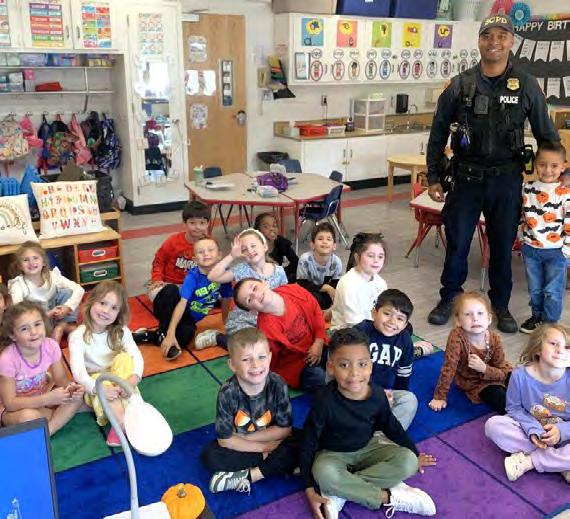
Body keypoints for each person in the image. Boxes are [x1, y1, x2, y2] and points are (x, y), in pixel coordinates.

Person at [426, 14, 559, 333]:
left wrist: (560, 176)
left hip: (506, 180)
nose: (494, 42)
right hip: (465, 179)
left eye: (502, 35)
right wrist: (433, 176)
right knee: (457, 245)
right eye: (487, 35)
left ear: (512, 41)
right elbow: (438, 132)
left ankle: (500, 305)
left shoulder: (526, 85)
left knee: (501, 247)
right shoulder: (460, 84)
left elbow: (547, 135)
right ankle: (450, 298)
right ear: (479, 41)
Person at [300, 328, 437, 519]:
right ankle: (388, 497)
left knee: (408, 461)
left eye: (362, 364)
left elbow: (392, 427)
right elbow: (308, 441)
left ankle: (341, 492)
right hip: (333, 454)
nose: (354, 373)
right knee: (323, 473)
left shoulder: (377, 395)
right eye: (344, 365)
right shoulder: (324, 401)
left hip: (368, 447)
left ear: (370, 366)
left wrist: (414, 453)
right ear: (331, 367)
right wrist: (308, 487)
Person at [201, 328, 299, 494]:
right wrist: (264, 448)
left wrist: (246, 438)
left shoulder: (277, 384)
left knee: (304, 440)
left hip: (264, 438)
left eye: (261, 357)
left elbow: (285, 429)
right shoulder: (228, 392)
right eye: (246, 359)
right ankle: (280, 464)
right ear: (232, 365)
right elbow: (225, 441)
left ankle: (248, 476)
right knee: (210, 455)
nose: (255, 365)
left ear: (270, 358)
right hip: (249, 446)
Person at [485, 324, 569, 483]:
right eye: (553, 343)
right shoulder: (519, 375)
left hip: (565, 436)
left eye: (567, 347)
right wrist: (533, 430)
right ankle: (559, 463)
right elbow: (513, 408)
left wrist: (561, 432)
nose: (560, 350)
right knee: (493, 425)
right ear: (537, 349)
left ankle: (530, 461)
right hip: (531, 432)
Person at [69, 281, 144, 447]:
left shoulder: (122, 331)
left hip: (119, 379)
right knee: (99, 378)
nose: (106, 311)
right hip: (95, 383)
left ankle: (136, 409)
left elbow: (136, 356)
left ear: (119, 313)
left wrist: (133, 379)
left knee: (124, 359)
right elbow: (79, 374)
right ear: (91, 302)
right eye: (102, 303)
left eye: (114, 308)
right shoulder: (78, 336)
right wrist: (99, 388)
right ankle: (121, 422)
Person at [0, 301, 84, 435]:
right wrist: (47, 399)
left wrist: (71, 388)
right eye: (24, 329)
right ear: (12, 335)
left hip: (41, 401)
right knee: (29, 417)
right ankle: (56, 420)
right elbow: (10, 404)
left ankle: (49, 429)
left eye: (37, 324)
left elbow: (61, 378)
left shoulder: (51, 346)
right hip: (12, 411)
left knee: (78, 397)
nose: (33, 332)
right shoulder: (7, 359)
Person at [136, 201, 211, 346]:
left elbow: (213, 270)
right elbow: (158, 261)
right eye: (192, 223)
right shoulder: (173, 241)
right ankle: (169, 328)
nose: (197, 227)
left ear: (208, 224)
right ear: (185, 223)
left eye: (202, 223)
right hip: (167, 286)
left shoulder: (209, 244)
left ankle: (157, 335)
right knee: (170, 291)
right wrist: (157, 279)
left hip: (189, 290)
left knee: (187, 332)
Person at [233, 279, 327, 391]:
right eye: (249, 299)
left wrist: (319, 341)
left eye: (254, 288)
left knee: (338, 356)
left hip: (317, 342)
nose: (256, 295)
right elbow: (271, 360)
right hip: (298, 363)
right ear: (252, 311)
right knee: (319, 377)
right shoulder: (266, 330)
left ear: (264, 282)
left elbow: (315, 310)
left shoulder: (293, 290)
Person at [429, 292, 512, 415]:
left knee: (519, 381)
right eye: (468, 314)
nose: (475, 318)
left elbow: (502, 372)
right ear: (458, 321)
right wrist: (439, 396)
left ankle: (536, 409)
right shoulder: (457, 337)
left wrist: (484, 369)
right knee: (501, 399)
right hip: (475, 382)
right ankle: (523, 418)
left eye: (480, 313)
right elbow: (449, 367)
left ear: (489, 319)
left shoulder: (495, 339)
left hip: (496, 373)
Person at [519, 142, 569, 333]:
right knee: (535, 289)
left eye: (554, 166)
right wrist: (522, 238)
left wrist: (567, 250)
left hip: (556, 251)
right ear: (535, 164)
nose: (547, 170)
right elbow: (522, 215)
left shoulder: (566, 193)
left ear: (563, 166)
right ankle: (537, 317)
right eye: (542, 164)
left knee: (552, 291)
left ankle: (550, 324)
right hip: (531, 248)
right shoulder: (527, 188)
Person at [207, 228, 287, 345]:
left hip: (271, 319)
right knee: (252, 345)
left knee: (274, 343)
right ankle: (218, 338)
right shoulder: (241, 269)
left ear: (264, 246)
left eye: (253, 246)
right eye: (244, 249)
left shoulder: (279, 271)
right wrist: (231, 256)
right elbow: (212, 277)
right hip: (244, 321)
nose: (250, 251)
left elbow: (286, 296)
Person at [158, 237, 232, 359]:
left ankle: (155, 335)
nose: (206, 254)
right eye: (201, 252)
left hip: (189, 319)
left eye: (210, 250)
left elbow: (227, 297)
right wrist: (171, 333)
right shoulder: (193, 276)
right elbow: (181, 304)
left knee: (186, 335)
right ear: (195, 260)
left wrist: (225, 320)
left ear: (219, 255)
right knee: (170, 290)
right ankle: (165, 333)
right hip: (174, 308)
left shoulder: (224, 274)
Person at [355, 289, 418, 430]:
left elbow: (403, 375)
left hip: (383, 394)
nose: (392, 321)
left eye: (400, 319)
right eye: (387, 314)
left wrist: (390, 400)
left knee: (409, 399)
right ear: (374, 313)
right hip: (355, 390)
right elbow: (348, 373)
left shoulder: (405, 340)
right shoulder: (360, 332)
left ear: (405, 325)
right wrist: (373, 393)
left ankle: (385, 436)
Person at [8, 241, 84, 344]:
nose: (31, 262)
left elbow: (79, 289)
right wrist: (47, 314)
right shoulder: (18, 285)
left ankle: (61, 326)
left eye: (35, 258)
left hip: (58, 316)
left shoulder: (52, 276)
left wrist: (67, 307)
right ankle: (58, 331)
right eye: (26, 260)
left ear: (43, 262)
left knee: (67, 292)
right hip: (37, 322)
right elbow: (18, 312)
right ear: (20, 266)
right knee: (23, 312)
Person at [330, 233, 387, 330]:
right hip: (349, 331)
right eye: (370, 256)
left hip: (371, 327)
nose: (376, 260)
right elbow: (354, 322)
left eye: (380, 256)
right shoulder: (348, 284)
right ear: (357, 257)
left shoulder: (380, 282)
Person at [296, 222, 343, 316]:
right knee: (306, 299)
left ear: (334, 246)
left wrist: (333, 296)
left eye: (328, 239)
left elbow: (336, 285)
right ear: (312, 244)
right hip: (308, 292)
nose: (324, 242)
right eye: (320, 239)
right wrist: (325, 287)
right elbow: (302, 284)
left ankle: (325, 312)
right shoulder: (305, 259)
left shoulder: (336, 262)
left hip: (326, 295)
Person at [254, 213, 298, 283]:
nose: (272, 229)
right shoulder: (254, 246)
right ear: (258, 230)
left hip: (278, 277)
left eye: (274, 226)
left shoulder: (281, 242)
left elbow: (295, 261)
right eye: (266, 227)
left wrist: (282, 271)